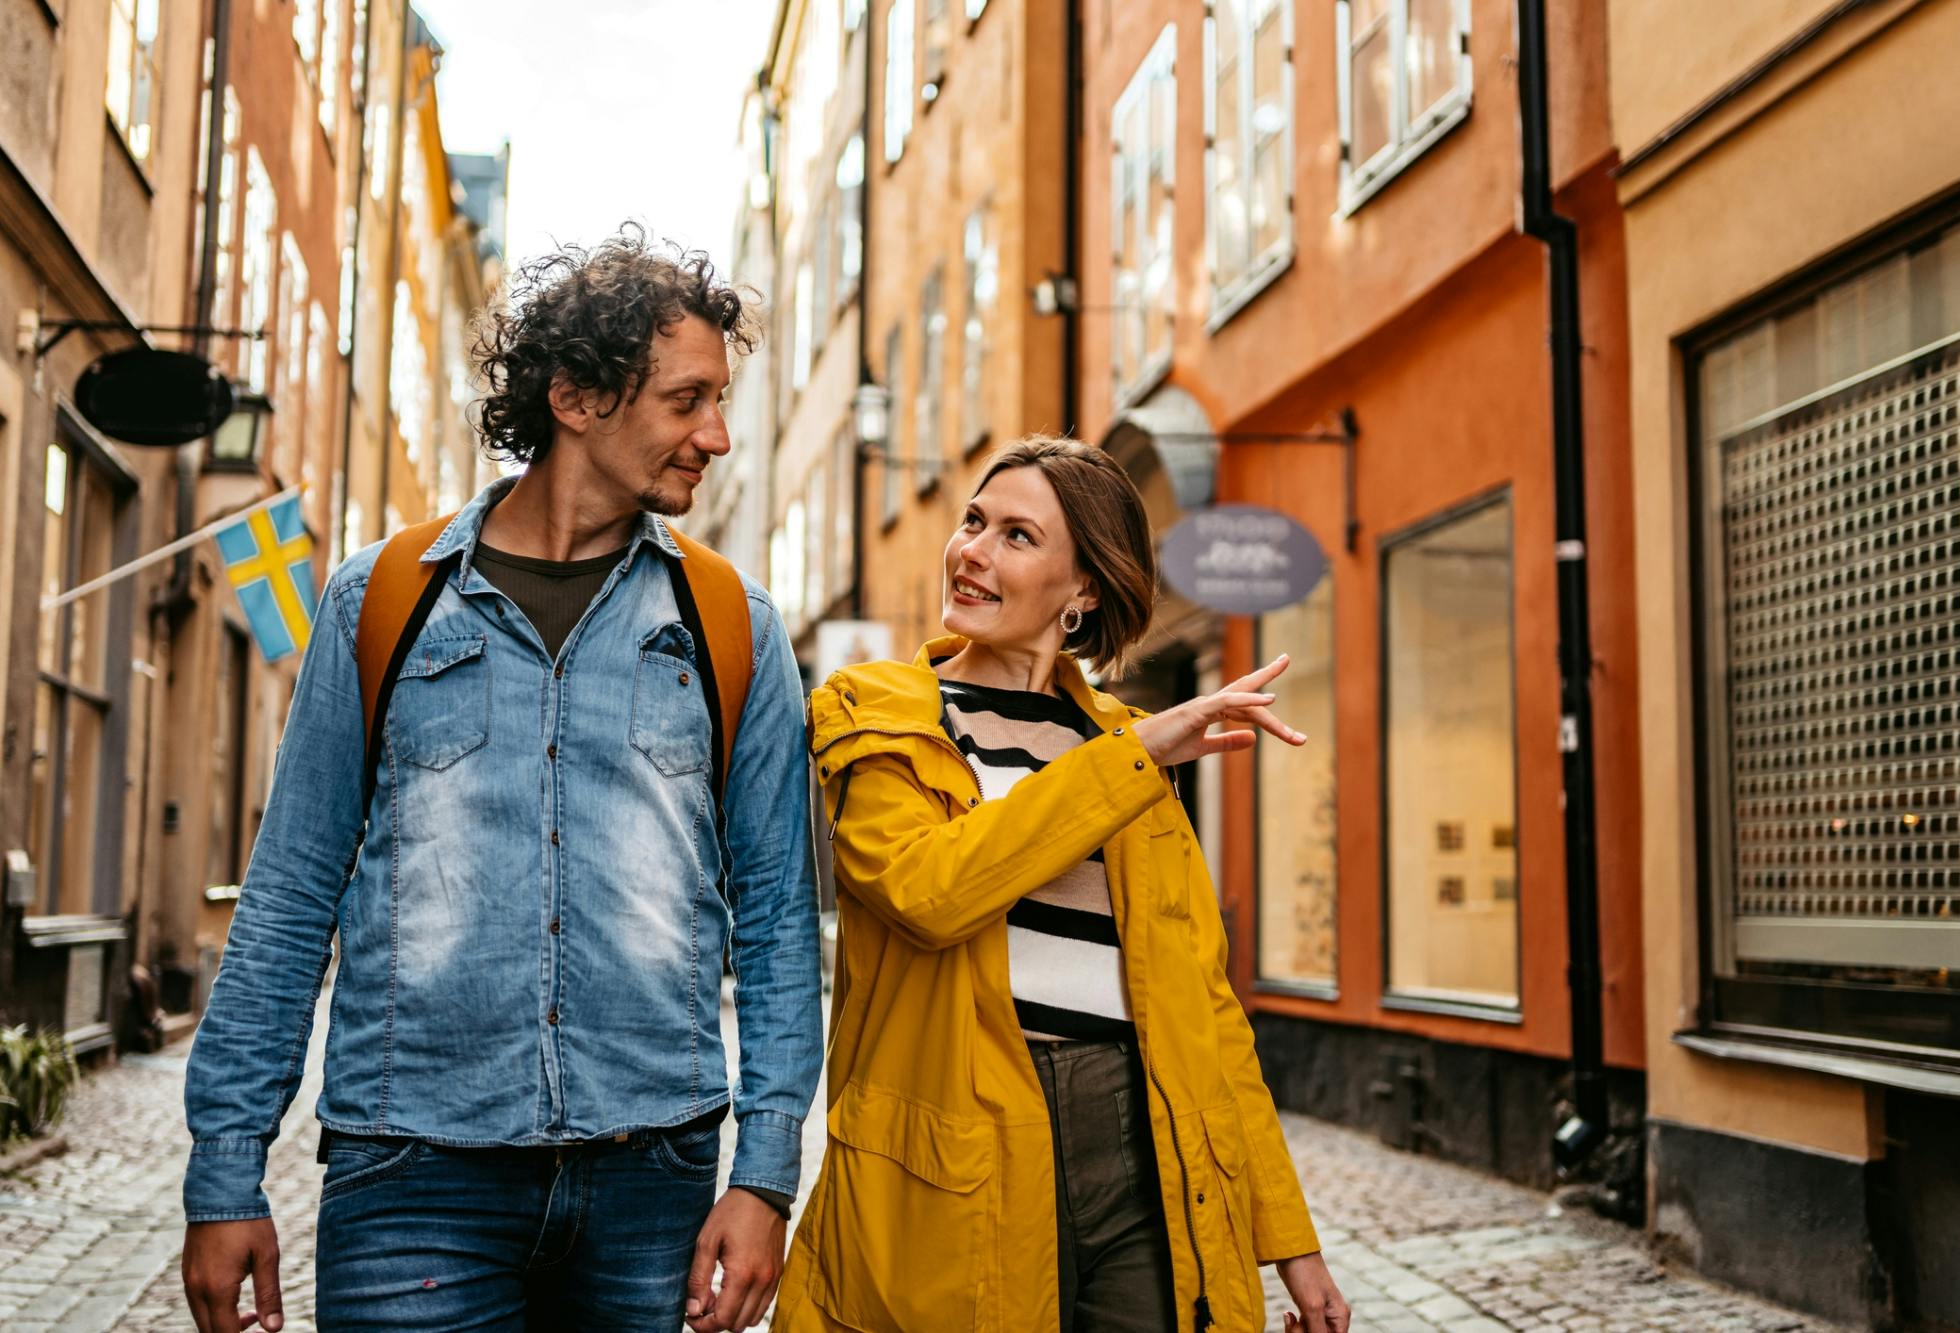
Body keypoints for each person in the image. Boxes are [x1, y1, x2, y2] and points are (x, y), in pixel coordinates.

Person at [179, 230, 823, 1333]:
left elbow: (773, 920)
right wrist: (226, 1171)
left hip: (651, 1180)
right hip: (412, 1175)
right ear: (574, 396)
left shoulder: (731, 628)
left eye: (718, 400)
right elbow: (288, 897)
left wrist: (763, 1175)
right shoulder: (378, 601)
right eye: (686, 400)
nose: (715, 435)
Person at [775, 436, 1350, 1332]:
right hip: (957, 1145)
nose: (971, 551)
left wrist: (1292, 1240)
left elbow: (1206, 1011)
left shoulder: (1122, 746)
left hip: (1141, 1147)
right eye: (973, 521)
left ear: (1083, 587)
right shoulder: (882, 712)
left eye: (1015, 536)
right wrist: (1134, 757)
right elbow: (932, 891)